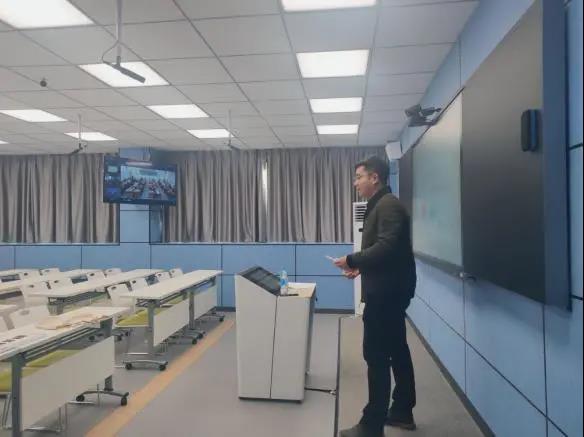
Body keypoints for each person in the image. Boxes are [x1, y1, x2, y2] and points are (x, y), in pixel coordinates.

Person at [334, 156, 417, 437]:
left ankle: (372, 425)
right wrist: (361, 268)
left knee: (376, 355)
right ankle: (402, 410)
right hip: (389, 290)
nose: (355, 183)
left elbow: (387, 247)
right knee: (397, 350)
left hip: (385, 295)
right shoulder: (381, 204)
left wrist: (352, 259)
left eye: (359, 177)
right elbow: (389, 253)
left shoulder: (388, 205)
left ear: (375, 178)